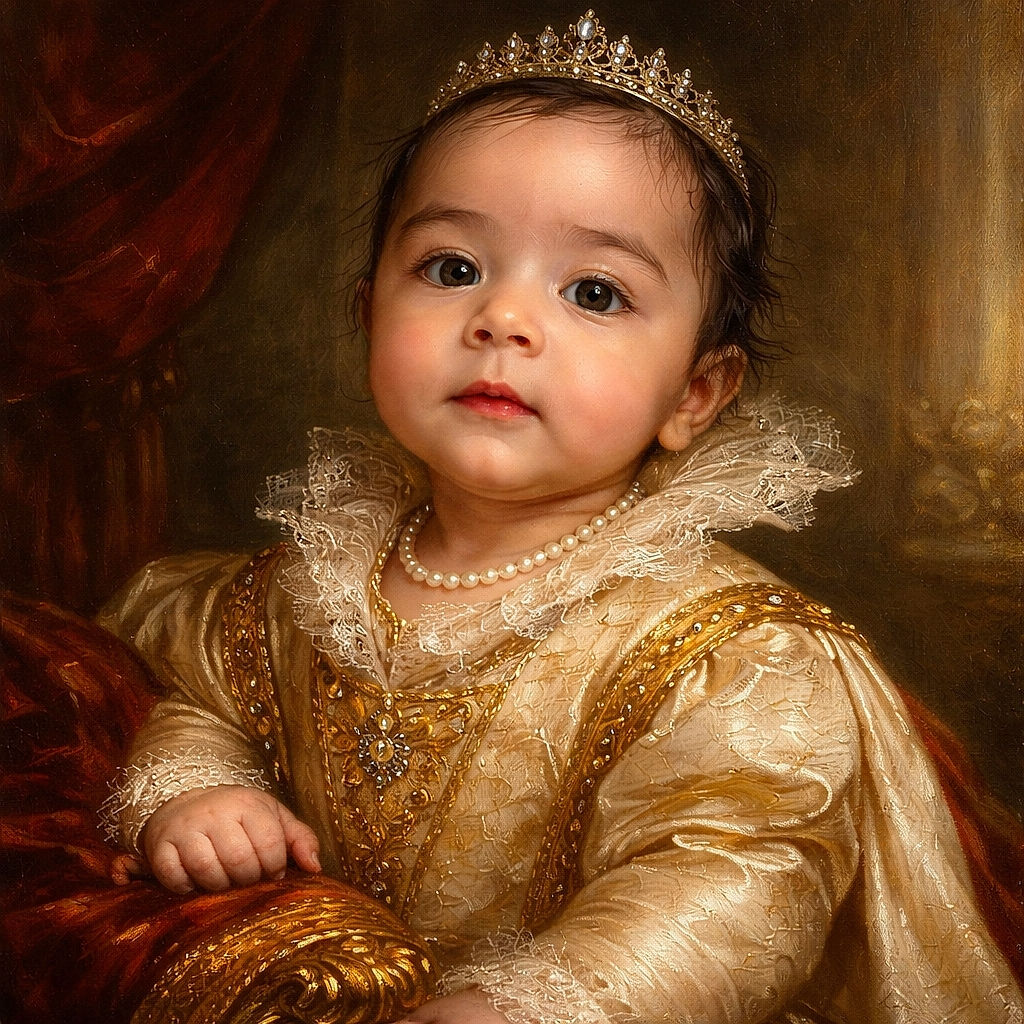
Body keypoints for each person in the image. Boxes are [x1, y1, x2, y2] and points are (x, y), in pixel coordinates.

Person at [98, 11, 1024, 1024]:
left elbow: (729, 882)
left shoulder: (728, 651)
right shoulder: (301, 583)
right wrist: (194, 790)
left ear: (695, 394)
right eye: (452, 268)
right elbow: (205, 697)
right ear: (367, 313)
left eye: (593, 290)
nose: (503, 319)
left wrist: (522, 1008)